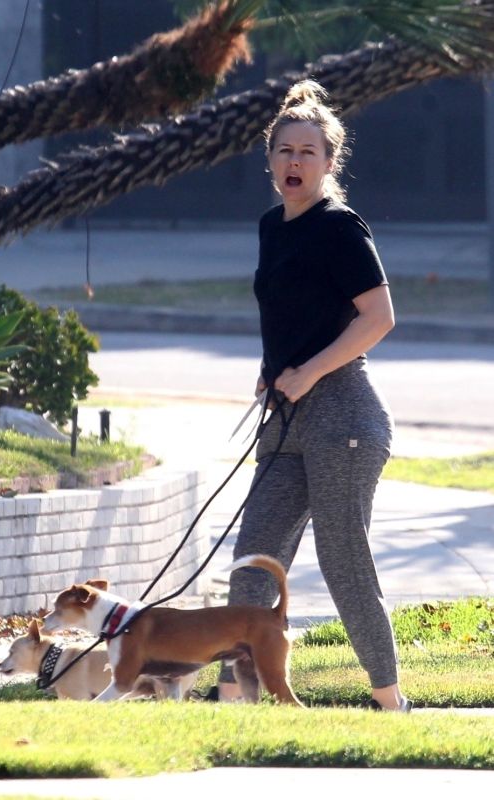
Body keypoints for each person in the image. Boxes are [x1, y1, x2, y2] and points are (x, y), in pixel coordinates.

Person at [216, 79, 411, 712]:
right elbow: (292, 314)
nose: (294, 162)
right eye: (283, 151)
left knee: (341, 559)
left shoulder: (339, 227)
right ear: (269, 159)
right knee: (254, 558)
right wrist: (271, 369)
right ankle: (232, 700)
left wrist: (309, 372)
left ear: (329, 162)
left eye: (307, 152)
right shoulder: (274, 226)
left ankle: (391, 703)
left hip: (345, 418)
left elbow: (378, 318)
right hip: (284, 417)